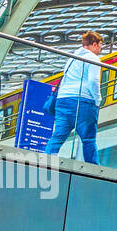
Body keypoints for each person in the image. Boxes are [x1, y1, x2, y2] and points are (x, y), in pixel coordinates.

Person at [43, 31, 104, 163]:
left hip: (63, 100)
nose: (100, 49)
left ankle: (47, 161)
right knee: (88, 139)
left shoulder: (71, 58)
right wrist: (97, 100)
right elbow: (93, 81)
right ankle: (93, 168)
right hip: (82, 101)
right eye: (100, 46)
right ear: (94, 44)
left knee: (58, 136)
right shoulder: (93, 58)